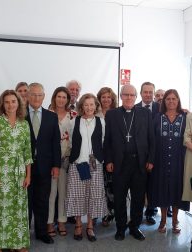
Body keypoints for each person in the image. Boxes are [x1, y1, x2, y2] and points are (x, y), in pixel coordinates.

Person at [0, 90, 32, 251]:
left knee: (17, 209)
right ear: (2, 104)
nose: (10, 105)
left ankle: (16, 243)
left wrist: (28, 175)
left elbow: (27, 152)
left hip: (18, 174)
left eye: (13, 101)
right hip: (0, 173)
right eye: (7, 102)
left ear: (19, 103)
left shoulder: (24, 123)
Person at [104, 84, 155, 241]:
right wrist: (109, 160)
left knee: (138, 198)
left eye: (132, 95)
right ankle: (120, 227)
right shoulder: (112, 114)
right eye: (126, 95)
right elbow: (108, 140)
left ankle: (135, 227)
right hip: (120, 163)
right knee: (119, 197)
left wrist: (150, 159)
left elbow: (151, 138)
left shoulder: (145, 113)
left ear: (136, 97)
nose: (129, 98)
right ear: (120, 96)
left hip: (139, 162)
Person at [66, 93, 108, 242]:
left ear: (96, 106)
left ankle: (90, 226)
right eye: (86, 104)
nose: (89, 107)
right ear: (81, 106)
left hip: (95, 164)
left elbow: (103, 141)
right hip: (78, 164)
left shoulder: (101, 122)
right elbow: (70, 141)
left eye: (92, 104)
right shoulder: (74, 122)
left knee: (94, 196)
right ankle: (78, 225)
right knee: (77, 196)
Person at [26, 82, 62, 244]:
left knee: (42, 200)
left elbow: (56, 143)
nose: (36, 98)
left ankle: (41, 232)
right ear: (27, 96)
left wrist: (56, 166)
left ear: (44, 96)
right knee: (25, 201)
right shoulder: (20, 115)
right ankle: (23, 233)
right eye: (33, 94)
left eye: (39, 95)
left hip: (45, 167)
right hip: (23, 167)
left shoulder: (51, 116)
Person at [148, 89, 187, 234]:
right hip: (160, 160)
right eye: (168, 99)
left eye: (174, 99)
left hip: (179, 160)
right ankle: (163, 220)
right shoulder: (157, 117)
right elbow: (151, 139)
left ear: (178, 100)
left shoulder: (185, 117)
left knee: (177, 189)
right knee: (162, 189)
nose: (171, 101)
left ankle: (175, 221)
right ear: (164, 101)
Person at [46, 87, 73, 237]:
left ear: (68, 99)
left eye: (64, 97)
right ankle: (49, 222)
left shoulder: (73, 116)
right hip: (51, 161)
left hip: (66, 160)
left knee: (63, 193)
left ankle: (61, 221)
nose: (61, 100)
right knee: (51, 193)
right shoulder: (48, 115)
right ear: (54, 97)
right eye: (59, 96)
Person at [136, 81, 160, 225]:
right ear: (141, 93)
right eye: (145, 92)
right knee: (139, 186)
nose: (148, 95)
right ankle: (137, 214)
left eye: (151, 92)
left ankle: (151, 212)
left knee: (153, 185)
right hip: (139, 154)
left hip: (157, 152)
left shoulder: (160, 107)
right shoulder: (135, 108)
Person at [95, 86, 118, 226]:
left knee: (111, 186)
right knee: (98, 185)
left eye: (109, 97)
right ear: (99, 98)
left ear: (113, 99)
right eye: (103, 97)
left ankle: (110, 213)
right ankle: (98, 212)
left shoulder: (117, 113)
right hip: (97, 154)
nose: (106, 99)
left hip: (113, 154)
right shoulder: (94, 112)